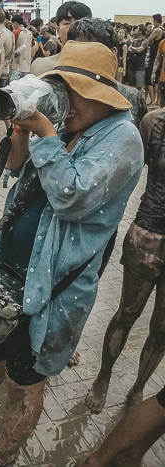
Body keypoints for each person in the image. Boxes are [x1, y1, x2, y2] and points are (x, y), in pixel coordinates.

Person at [0, 41, 143, 467]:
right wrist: (23, 137)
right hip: (9, 262)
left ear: (100, 94)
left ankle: (3, 458)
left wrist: (45, 133)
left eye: (71, 91)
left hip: (52, 283)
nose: (63, 100)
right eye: (59, 88)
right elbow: (18, 173)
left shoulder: (123, 138)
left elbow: (72, 197)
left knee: (25, 378)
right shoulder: (67, 122)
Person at [85, 104, 165, 413]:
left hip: (147, 235)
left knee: (161, 328)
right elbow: (127, 173)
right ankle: (103, 378)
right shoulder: (154, 122)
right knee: (126, 314)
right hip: (147, 235)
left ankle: (138, 389)